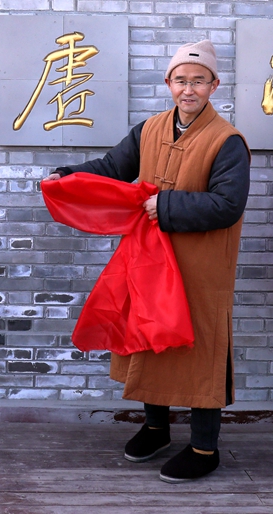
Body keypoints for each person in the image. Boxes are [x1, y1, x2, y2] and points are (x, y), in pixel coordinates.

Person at [44, 40, 250, 482]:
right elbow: (113, 167)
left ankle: (205, 447)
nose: (189, 89)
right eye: (181, 80)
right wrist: (69, 175)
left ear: (214, 85)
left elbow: (228, 205)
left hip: (201, 268)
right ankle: (156, 428)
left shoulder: (227, 141)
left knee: (201, 350)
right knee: (148, 337)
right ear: (168, 83)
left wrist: (167, 206)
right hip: (150, 260)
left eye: (199, 81)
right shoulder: (150, 129)